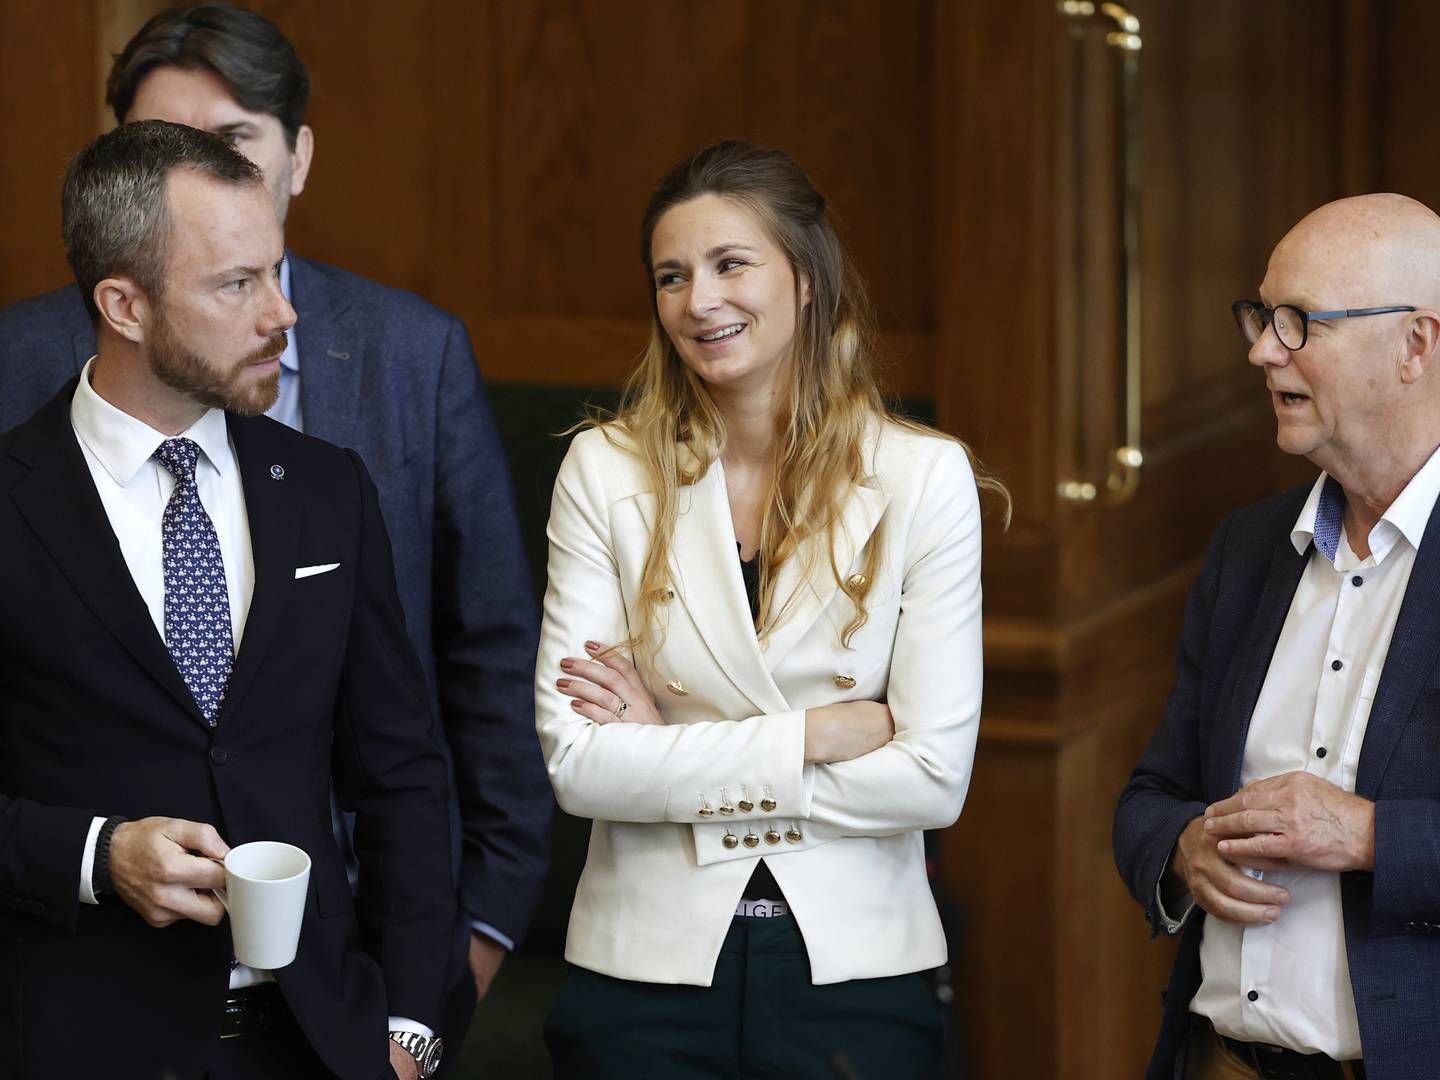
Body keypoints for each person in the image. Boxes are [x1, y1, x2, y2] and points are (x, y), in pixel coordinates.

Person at [0, 4, 550, 1052]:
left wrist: (417, 1016)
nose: (282, 314)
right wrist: (93, 852)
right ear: (124, 305)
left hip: (318, 1034)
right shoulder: (17, 480)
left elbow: (402, 771)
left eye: (276, 270)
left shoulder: (324, 487)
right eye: (237, 285)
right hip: (77, 1034)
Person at [533, 139, 999, 1077]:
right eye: (672, 275)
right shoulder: (604, 468)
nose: (698, 300)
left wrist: (666, 752)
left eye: (730, 263)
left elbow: (934, 779)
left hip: (854, 968)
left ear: (806, 279)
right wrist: (814, 735)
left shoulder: (922, 475)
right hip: (642, 966)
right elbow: (581, 766)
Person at [1113, 193, 1440, 1080]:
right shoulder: (1249, 547)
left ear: (1416, 344)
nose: (1262, 349)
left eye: (1301, 322)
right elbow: (1150, 796)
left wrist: (1369, 837)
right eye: (1261, 315)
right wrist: (1181, 851)